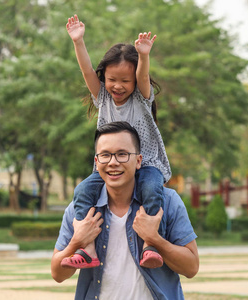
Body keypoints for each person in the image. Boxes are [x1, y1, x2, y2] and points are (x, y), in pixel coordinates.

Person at [62, 14, 171, 269]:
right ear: (104, 79)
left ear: (135, 81)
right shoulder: (103, 98)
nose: (118, 86)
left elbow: (143, 76)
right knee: (82, 192)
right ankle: (87, 249)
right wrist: (78, 41)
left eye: (125, 81)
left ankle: (150, 245)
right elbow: (87, 70)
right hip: (109, 165)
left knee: (151, 190)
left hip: (147, 165)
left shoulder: (142, 98)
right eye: (112, 80)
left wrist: (143, 56)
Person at [51, 121, 199, 300]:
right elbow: (58, 274)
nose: (113, 163)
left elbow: (191, 268)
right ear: (97, 162)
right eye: (105, 155)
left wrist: (155, 239)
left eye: (122, 154)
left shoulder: (167, 202)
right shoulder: (80, 210)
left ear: (138, 161)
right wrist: (77, 242)